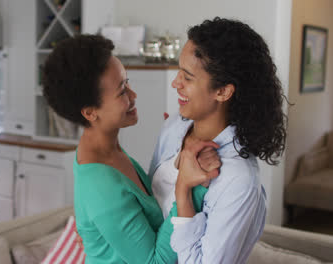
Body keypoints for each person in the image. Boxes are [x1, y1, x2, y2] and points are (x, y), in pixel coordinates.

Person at [42, 34, 221, 263]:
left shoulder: (108, 151)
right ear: (90, 112)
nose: (133, 95)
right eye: (121, 92)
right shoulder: (101, 183)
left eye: (128, 82)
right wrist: (190, 187)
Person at [149, 17, 287, 263]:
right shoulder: (173, 128)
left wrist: (184, 191)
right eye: (178, 71)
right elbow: (150, 205)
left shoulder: (238, 178)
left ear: (223, 91)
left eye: (187, 77)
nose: (175, 83)